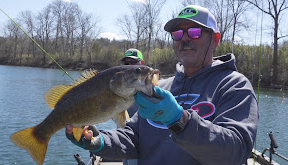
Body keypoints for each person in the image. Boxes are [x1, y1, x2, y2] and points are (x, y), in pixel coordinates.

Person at [66, 5, 259, 165]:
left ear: (215, 39)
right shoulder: (161, 87)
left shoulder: (234, 85)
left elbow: (236, 152)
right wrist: (100, 141)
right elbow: (133, 138)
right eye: (178, 33)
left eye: (194, 32)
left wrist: (180, 120)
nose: (184, 38)